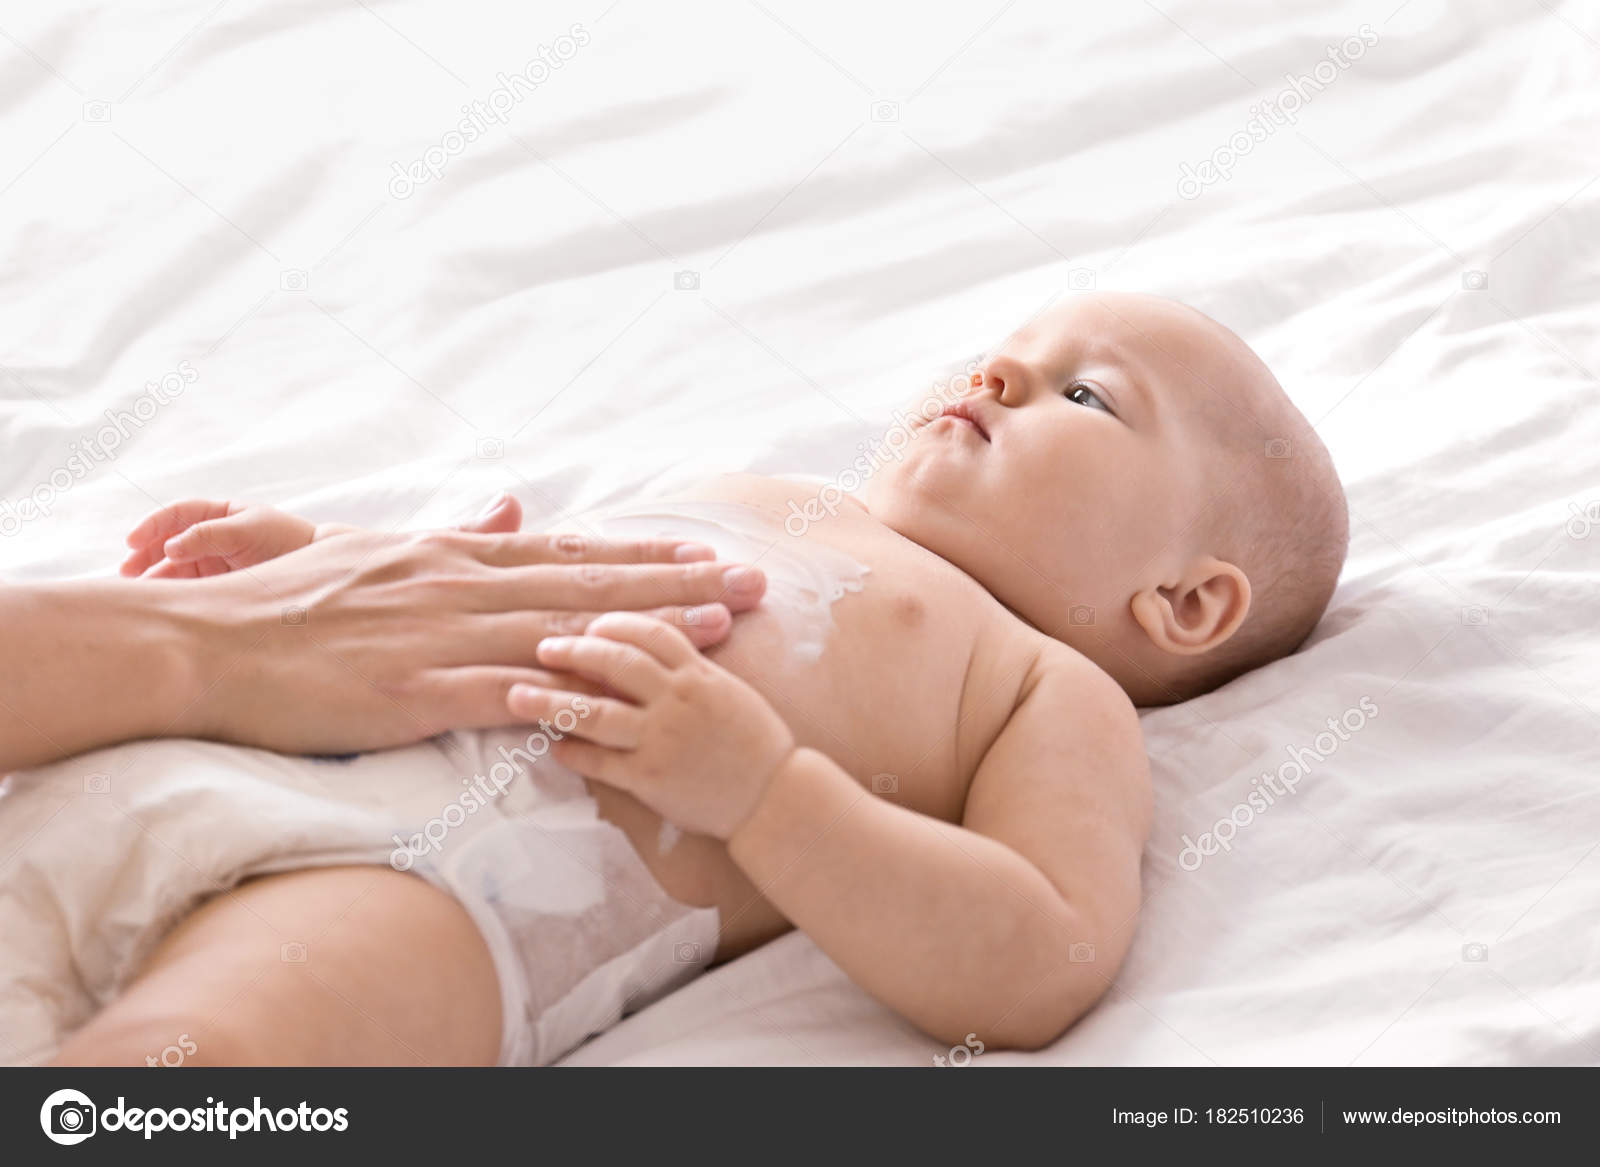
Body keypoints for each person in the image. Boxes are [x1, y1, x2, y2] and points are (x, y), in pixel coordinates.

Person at [10, 292, 1346, 1067]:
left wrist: (766, 797)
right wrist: (318, 557)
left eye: (1086, 396)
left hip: (470, 878)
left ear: (1185, 602)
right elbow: (497, 579)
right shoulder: (767, 490)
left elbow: (1037, 953)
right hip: (247, 727)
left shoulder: (1042, 689)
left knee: (203, 1058)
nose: (997, 369)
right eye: (1013, 345)